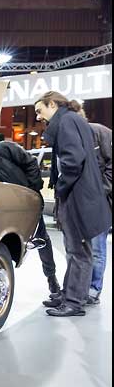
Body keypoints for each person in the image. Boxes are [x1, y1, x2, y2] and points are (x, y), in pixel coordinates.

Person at [35, 92, 111, 317]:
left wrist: (60, 187)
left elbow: (72, 161)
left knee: (79, 252)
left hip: (78, 198)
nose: (38, 116)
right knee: (78, 251)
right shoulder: (74, 119)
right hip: (83, 197)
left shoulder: (67, 121)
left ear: (52, 104)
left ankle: (74, 303)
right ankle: (69, 296)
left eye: (40, 110)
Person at [0, 133, 60, 295]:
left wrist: (31, 191)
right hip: (0, 210)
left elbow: (30, 164)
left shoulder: (4, 149)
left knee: (42, 239)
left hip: (24, 202)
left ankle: (51, 278)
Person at [82, 113, 112, 304]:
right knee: (79, 249)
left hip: (100, 202)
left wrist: (101, 190)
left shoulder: (100, 132)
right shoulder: (68, 135)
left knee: (97, 248)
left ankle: (94, 288)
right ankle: (80, 288)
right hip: (78, 202)